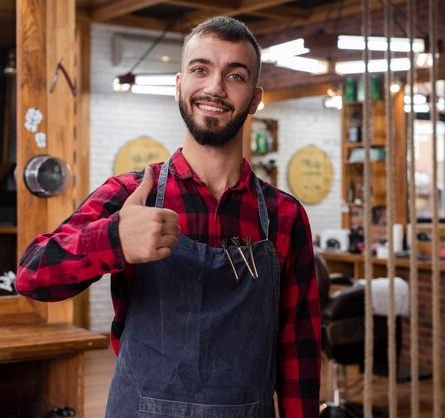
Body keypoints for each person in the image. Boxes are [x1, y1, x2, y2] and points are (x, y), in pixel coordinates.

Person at [16, 16, 321, 418]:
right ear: (179, 84)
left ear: (256, 97)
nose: (214, 87)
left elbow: (299, 349)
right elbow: (31, 276)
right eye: (200, 69)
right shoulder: (130, 195)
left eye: (235, 75)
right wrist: (115, 240)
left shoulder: (284, 216)